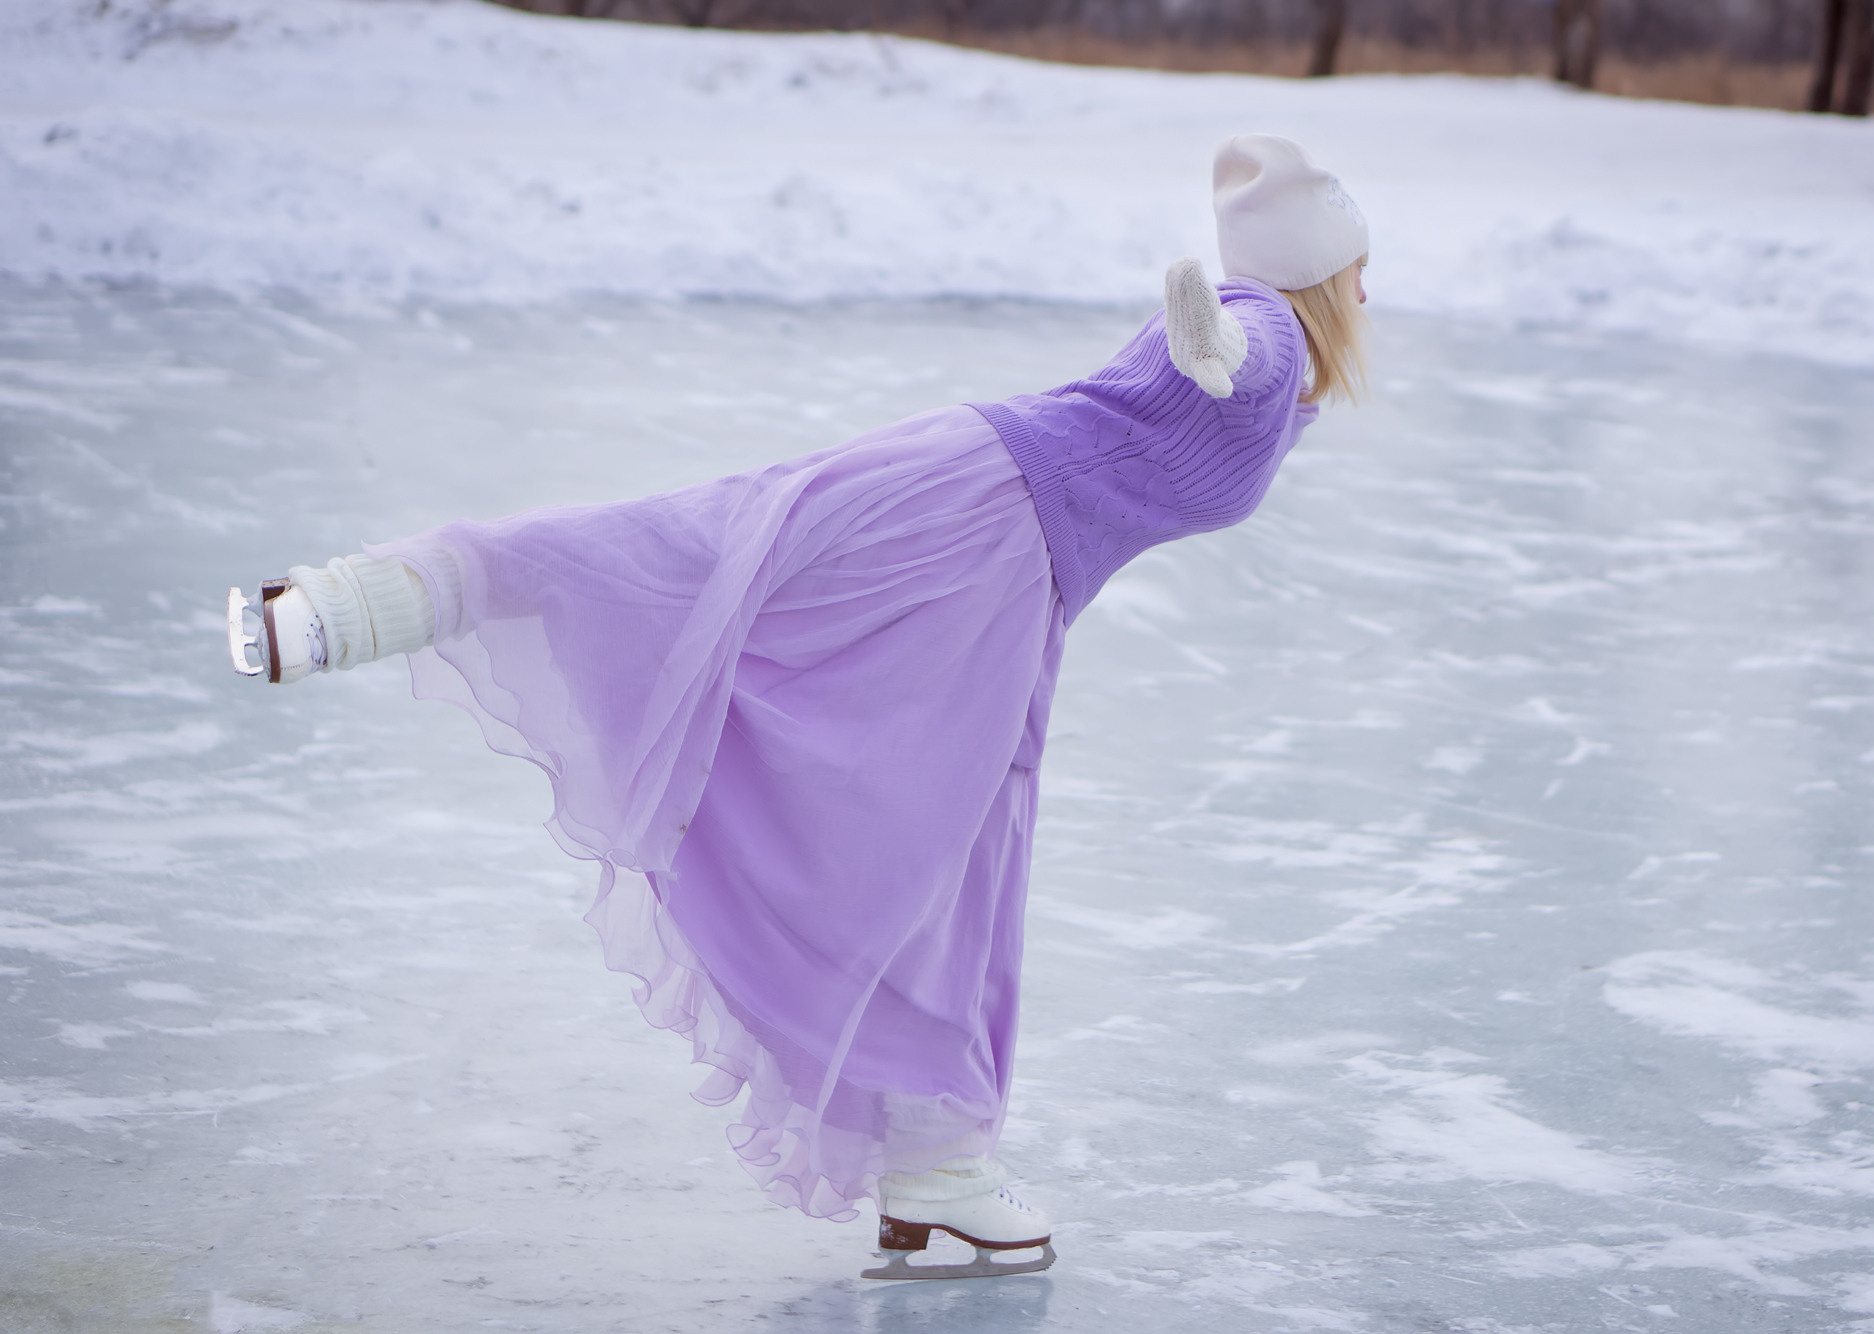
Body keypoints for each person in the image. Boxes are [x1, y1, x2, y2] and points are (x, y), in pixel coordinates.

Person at [225, 134, 1369, 1281]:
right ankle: (355, 600)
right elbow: (1242, 339)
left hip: (1015, 570)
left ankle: (936, 1163)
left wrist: (1218, 348)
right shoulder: (1255, 326)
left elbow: (1231, 370)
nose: (1368, 282)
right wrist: (1219, 336)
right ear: (1312, 273)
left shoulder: (1265, 369)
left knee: (958, 853)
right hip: (975, 517)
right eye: (1354, 262)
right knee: (686, 564)